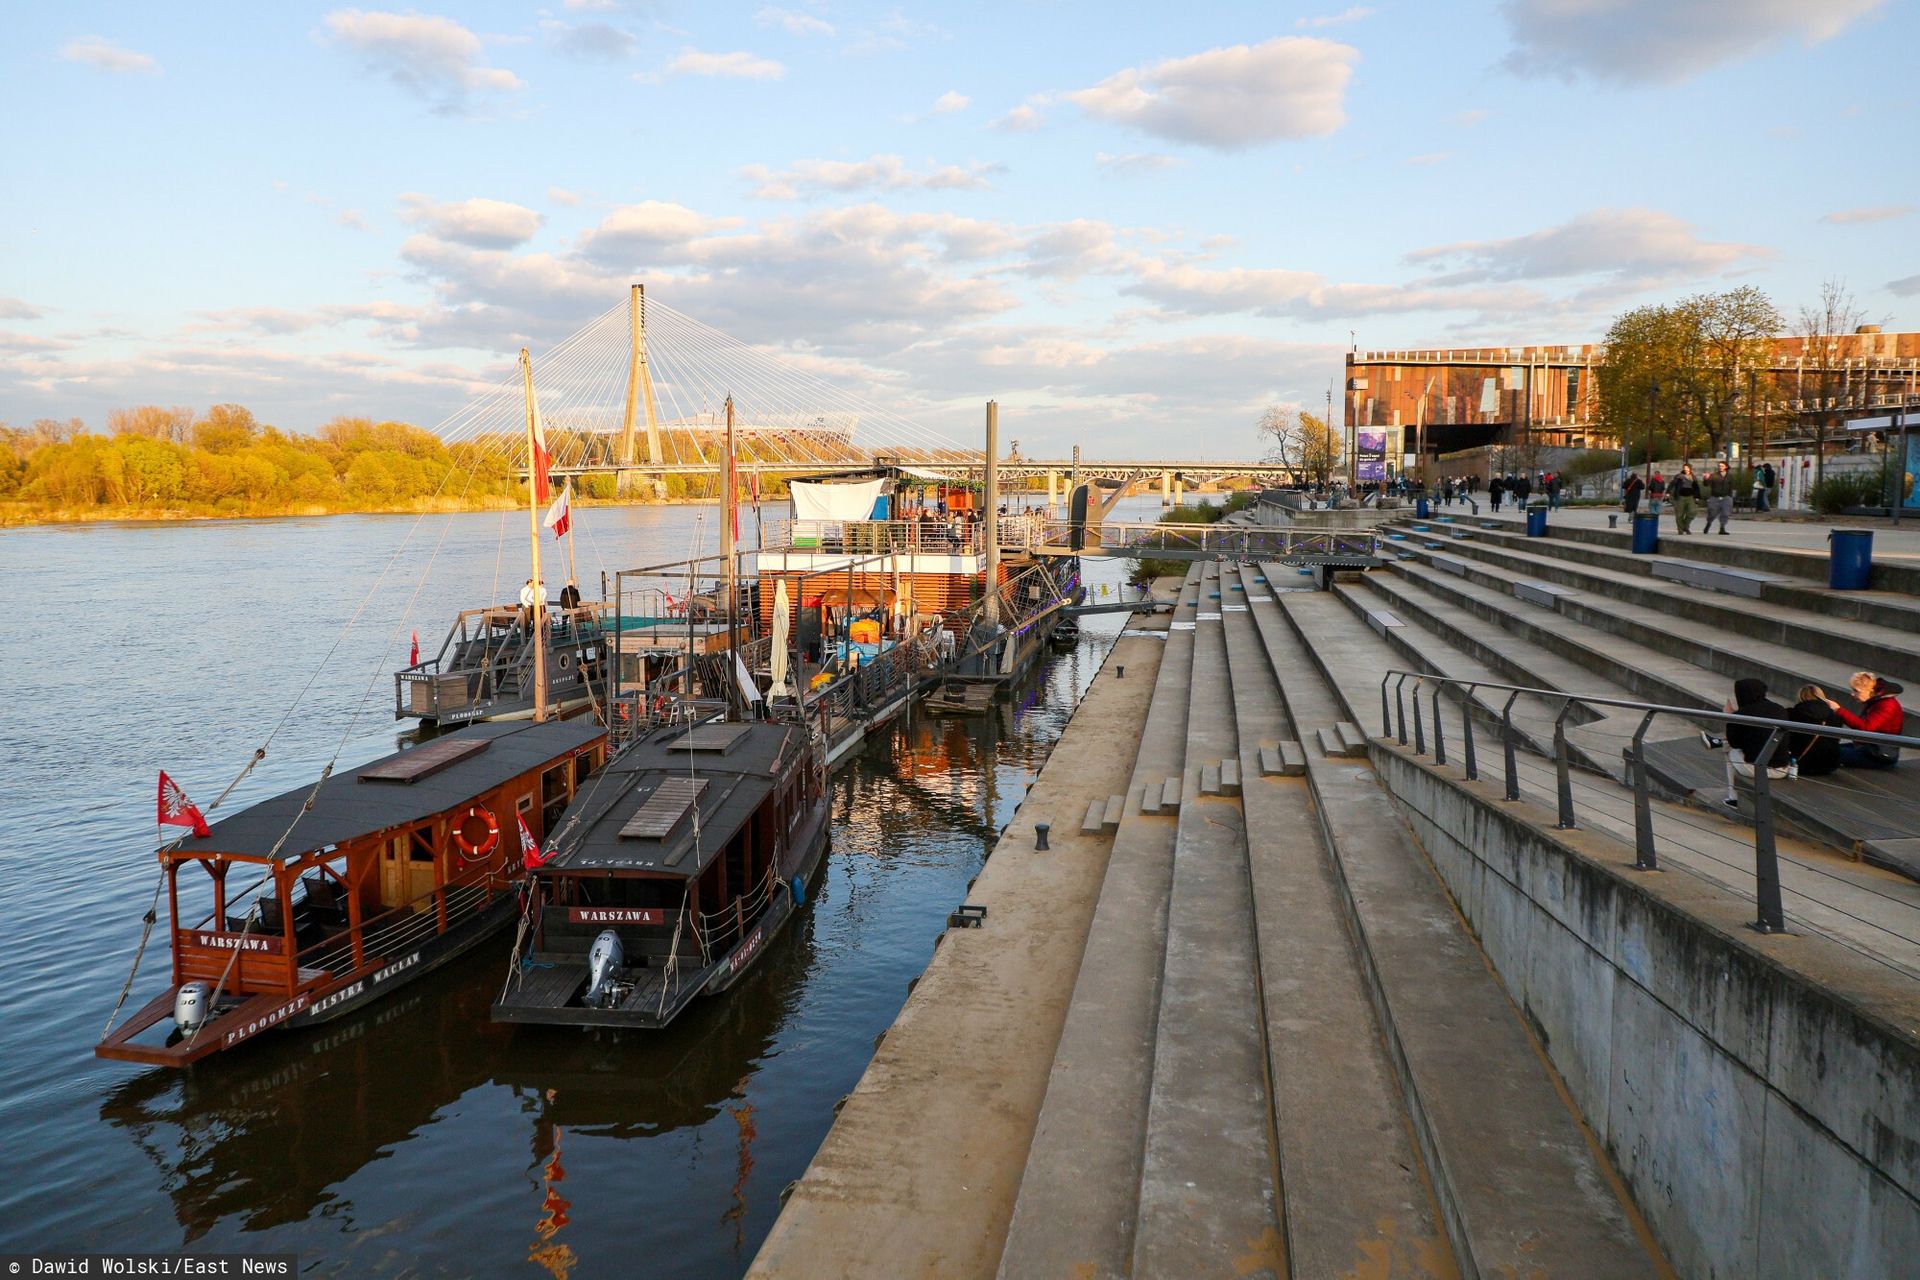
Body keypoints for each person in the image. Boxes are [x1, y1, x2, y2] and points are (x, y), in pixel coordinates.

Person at [1701, 677, 1791, 808]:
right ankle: (1717, 742)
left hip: (1759, 768)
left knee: (1730, 751)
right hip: (1783, 767)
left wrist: (1729, 717)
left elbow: (1735, 742)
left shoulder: (1742, 714)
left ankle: (1733, 798)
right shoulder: (1779, 709)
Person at [1825, 671, 1907, 769]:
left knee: (1830, 753)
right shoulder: (1877, 701)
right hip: (1870, 748)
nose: (1852, 694)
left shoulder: (1887, 705)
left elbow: (1866, 727)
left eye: (1856, 691)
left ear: (1871, 690)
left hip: (1879, 756)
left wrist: (1839, 710)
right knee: (1830, 749)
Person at [1785, 685, 1842, 777]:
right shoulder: (1835, 717)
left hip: (1800, 764)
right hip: (1829, 765)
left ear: (1800, 697)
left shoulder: (1793, 713)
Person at [1704, 460, 1735, 534]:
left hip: (1726, 497)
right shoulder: (1714, 475)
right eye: (1719, 466)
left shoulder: (1729, 476)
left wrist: (1730, 497)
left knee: (1725, 513)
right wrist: (1706, 479)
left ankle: (1722, 528)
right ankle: (1708, 523)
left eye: (1722, 466)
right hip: (1715, 497)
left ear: (1726, 467)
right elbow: (1706, 484)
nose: (1720, 467)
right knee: (1712, 512)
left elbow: (1731, 486)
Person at [1670, 464, 1701, 534]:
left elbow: (1696, 488)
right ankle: (1680, 530)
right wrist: (1668, 492)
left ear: (1690, 469)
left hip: (1690, 497)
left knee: (1692, 512)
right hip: (1680, 497)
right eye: (1684, 468)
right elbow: (1672, 484)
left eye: (1687, 468)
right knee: (1679, 514)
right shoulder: (1679, 476)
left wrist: (1697, 497)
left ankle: (1685, 526)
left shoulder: (1693, 477)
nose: (1686, 469)